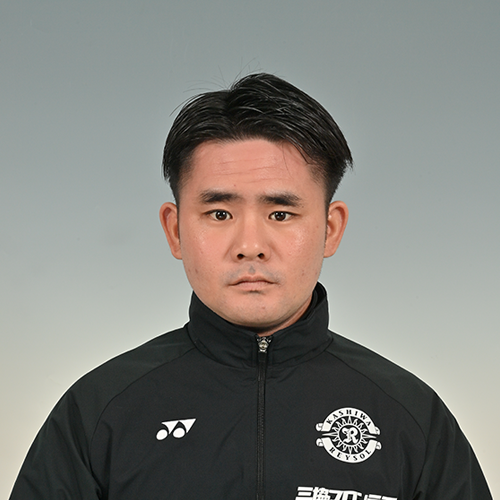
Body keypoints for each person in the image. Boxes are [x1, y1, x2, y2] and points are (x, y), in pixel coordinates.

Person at [9, 73, 491, 500]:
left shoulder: (412, 417)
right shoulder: (99, 411)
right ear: (175, 230)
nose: (250, 246)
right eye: (220, 213)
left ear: (331, 229)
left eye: (280, 213)